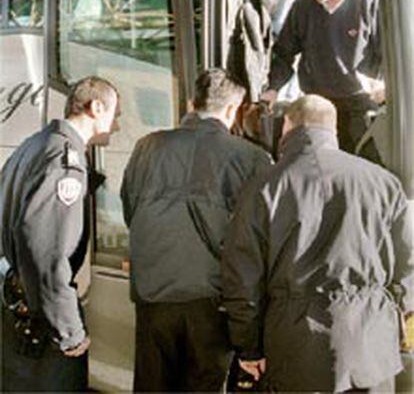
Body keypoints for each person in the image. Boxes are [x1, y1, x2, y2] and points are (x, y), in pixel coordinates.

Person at [222, 94, 414, 394]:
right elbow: (408, 263)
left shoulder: (263, 188)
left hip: (295, 346)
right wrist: (398, 314)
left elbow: (242, 278)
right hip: (371, 345)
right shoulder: (384, 183)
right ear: (333, 130)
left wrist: (249, 348)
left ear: (287, 127)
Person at [120, 68, 273, 393]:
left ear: (192, 103)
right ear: (233, 110)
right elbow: (259, 239)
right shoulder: (250, 157)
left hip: (152, 296)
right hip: (211, 302)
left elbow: (129, 211)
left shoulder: (146, 146)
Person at [0, 76, 120, 392]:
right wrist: (69, 330)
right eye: (115, 114)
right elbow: (46, 251)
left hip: (17, 301)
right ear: (96, 107)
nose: (117, 124)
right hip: (42, 318)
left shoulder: (34, 145)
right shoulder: (65, 159)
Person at [262, 0, 384, 153]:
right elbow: (284, 53)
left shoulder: (367, 2)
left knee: (361, 160)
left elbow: (388, 51)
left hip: (360, 101)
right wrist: (272, 88)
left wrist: (384, 83)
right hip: (318, 103)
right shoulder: (303, 6)